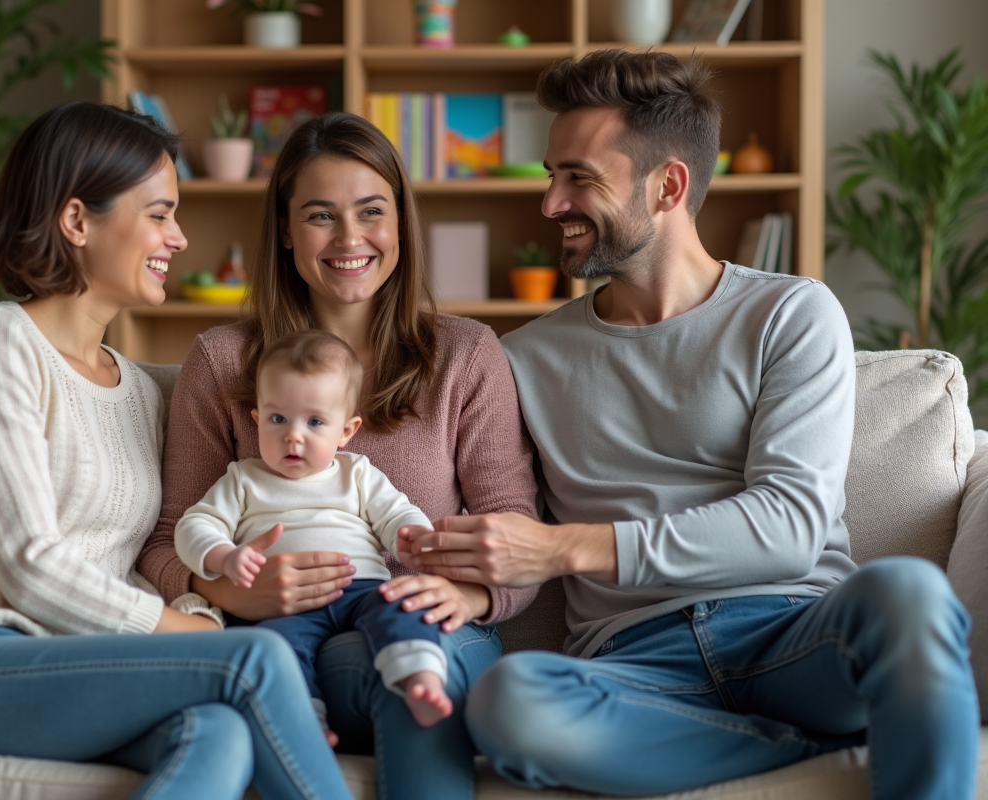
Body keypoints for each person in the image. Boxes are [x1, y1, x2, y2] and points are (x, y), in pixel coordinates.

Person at [395, 50, 979, 800]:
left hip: (794, 635)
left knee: (910, 593)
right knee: (509, 701)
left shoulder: (790, 314)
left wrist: (564, 547)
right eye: (551, 176)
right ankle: (801, 747)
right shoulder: (522, 358)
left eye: (578, 178)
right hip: (635, 666)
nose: (550, 203)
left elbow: (791, 525)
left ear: (667, 186)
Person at [0, 101, 353, 800]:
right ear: (76, 220)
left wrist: (201, 615)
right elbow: (28, 563)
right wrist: (195, 634)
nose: (178, 238)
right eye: (159, 214)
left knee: (218, 731)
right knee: (256, 658)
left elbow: (123, 566)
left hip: (72, 662)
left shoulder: (139, 392)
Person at [136, 111, 540, 800]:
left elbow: (517, 532)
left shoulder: (466, 355)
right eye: (321, 215)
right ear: (285, 232)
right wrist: (231, 591)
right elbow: (167, 541)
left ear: (401, 224)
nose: (350, 238)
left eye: (372, 212)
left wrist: (465, 595)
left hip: (430, 633)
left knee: (408, 659)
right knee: (324, 662)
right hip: (281, 646)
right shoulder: (223, 361)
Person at [176, 329, 454, 730]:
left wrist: (411, 537)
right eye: (277, 419)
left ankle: (419, 680)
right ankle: (306, 723)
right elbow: (194, 525)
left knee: (403, 608)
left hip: (362, 589)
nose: (293, 434)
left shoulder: (357, 473)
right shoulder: (243, 479)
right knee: (274, 649)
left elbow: (396, 513)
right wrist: (225, 557)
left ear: (346, 431)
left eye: (315, 421)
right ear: (257, 420)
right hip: (284, 604)